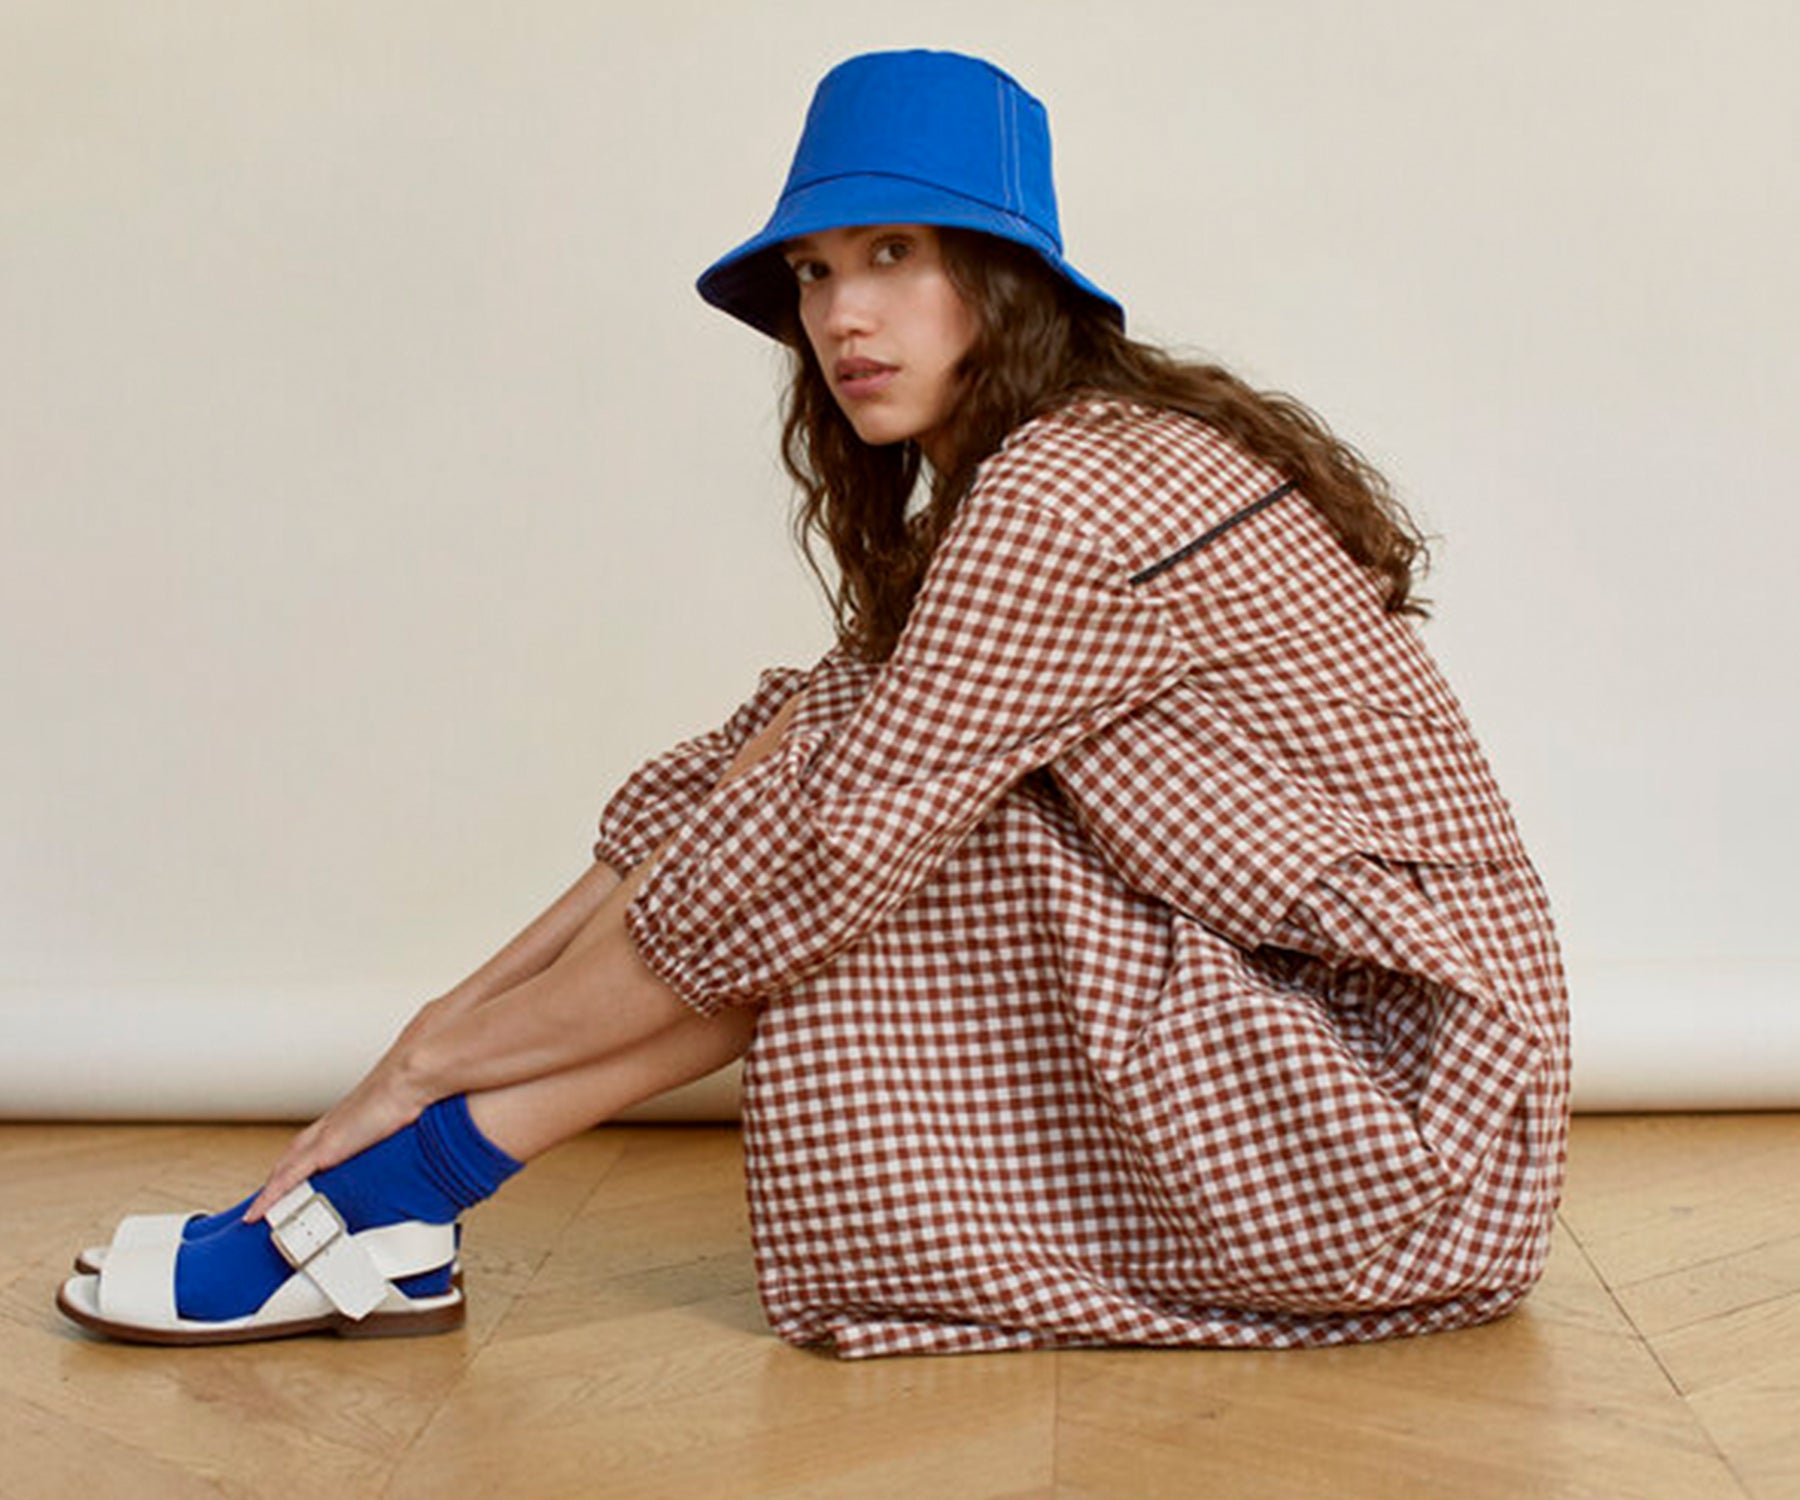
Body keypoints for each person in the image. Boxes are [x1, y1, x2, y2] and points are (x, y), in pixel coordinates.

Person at [58, 48, 1569, 1358]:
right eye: (816, 271)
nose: (845, 314)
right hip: (1328, 1070)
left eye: (894, 253)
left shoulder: (1070, 492)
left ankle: (393, 1199)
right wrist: (432, 1030)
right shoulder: (1032, 473)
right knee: (817, 754)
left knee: (873, 852)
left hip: (1406, 1126)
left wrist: (427, 1069)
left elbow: (817, 858)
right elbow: (747, 784)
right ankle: (391, 1209)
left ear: (1006, 280)